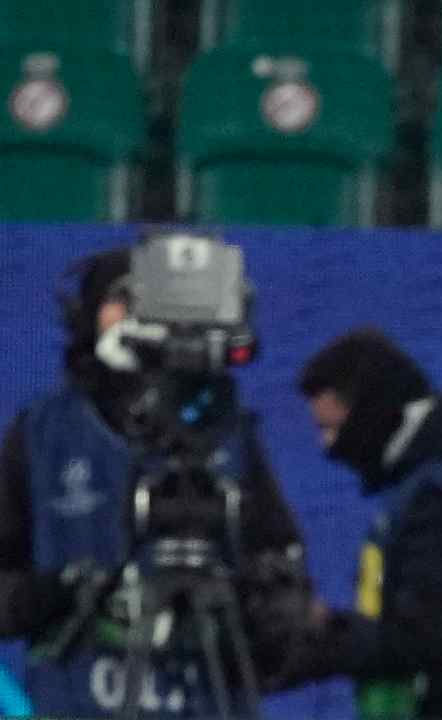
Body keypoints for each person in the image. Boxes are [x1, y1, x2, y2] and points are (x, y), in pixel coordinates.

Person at [0, 246, 307, 717]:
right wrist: (53, 596)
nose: (138, 314)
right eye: (122, 299)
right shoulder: (42, 434)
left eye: (150, 300)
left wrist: (267, 611)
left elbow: (281, 574)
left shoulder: (228, 433)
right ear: (88, 313)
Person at [273, 328, 442, 720]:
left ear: (368, 413)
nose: (328, 446)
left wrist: (325, 636)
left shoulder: (434, 496)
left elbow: (422, 637)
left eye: (332, 428)